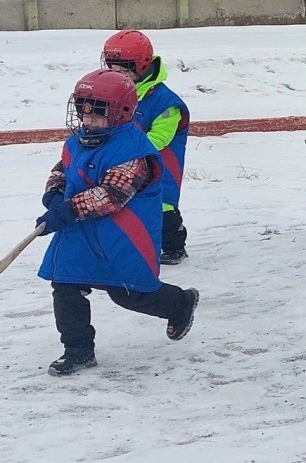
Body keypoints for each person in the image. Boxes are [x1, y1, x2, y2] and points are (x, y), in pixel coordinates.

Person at [36, 69, 200, 376]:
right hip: (80, 231)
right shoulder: (78, 141)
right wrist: (55, 194)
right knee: (65, 283)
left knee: (128, 293)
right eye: (83, 111)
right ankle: (78, 349)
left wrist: (68, 210)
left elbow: (112, 194)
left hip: (122, 236)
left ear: (121, 113)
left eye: (98, 114)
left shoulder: (134, 151)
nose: (88, 120)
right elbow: (63, 168)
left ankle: (179, 304)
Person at [102, 30, 191, 264]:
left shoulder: (165, 101)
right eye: (112, 66)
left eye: (124, 68)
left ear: (141, 66)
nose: (117, 73)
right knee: (125, 204)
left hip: (159, 166)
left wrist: (127, 149)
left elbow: (160, 136)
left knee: (162, 207)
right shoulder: (115, 93)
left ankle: (174, 243)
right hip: (125, 163)